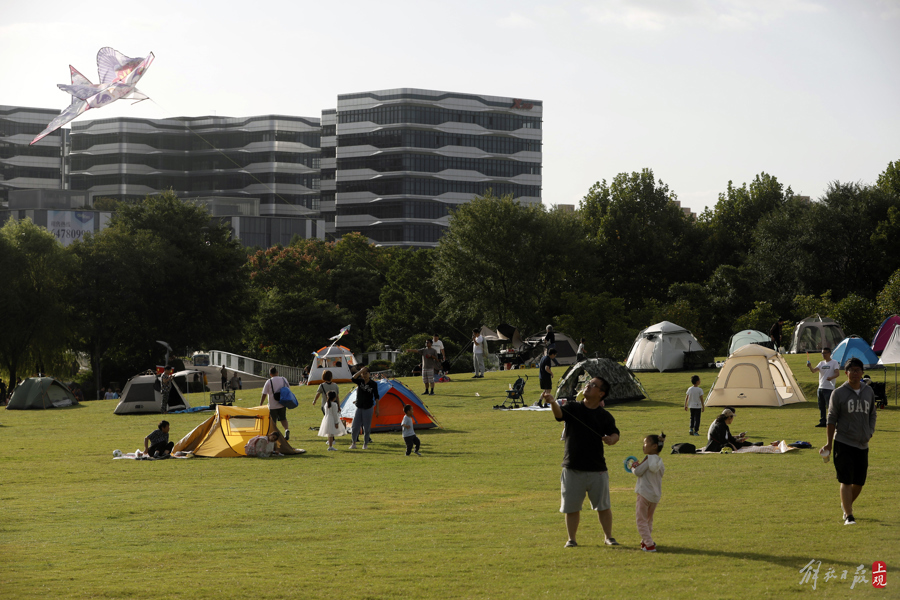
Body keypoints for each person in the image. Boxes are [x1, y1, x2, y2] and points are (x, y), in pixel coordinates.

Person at [548, 376, 621, 548]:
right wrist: (552, 402)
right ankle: (571, 539)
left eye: (593, 385)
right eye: (588, 383)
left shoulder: (605, 416)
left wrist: (612, 439)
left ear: (601, 393)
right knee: (572, 507)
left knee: (603, 507)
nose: (588, 385)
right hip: (572, 467)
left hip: (597, 469)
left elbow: (615, 433)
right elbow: (559, 416)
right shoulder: (573, 407)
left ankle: (608, 537)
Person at [820, 357, 877, 526]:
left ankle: (846, 505)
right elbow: (831, 420)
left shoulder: (868, 392)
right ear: (846, 373)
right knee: (845, 480)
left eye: (858, 370)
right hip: (844, 442)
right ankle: (849, 515)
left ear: (862, 372)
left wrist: (870, 431)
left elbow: (873, 413)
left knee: (859, 482)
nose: (855, 373)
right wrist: (829, 443)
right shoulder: (838, 393)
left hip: (862, 443)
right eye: (852, 370)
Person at [632, 432, 666, 552]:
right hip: (655, 496)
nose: (644, 446)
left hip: (644, 494)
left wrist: (633, 466)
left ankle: (649, 544)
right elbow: (661, 473)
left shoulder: (647, 459)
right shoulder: (659, 461)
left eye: (646, 443)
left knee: (641, 520)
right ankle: (645, 541)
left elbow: (638, 472)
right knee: (648, 520)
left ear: (654, 446)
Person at [808, 347, 840, 427]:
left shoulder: (834, 362)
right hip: (821, 388)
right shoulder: (821, 363)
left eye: (825, 353)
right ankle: (823, 422)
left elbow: (837, 373)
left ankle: (832, 421)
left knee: (830, 406)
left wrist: (831, 377)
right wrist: (810, 366)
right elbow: (814, 371)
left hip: (829, 388)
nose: (823, 355)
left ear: (829, 353)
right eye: (822, 353)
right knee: (821, 406)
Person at [349, 366, 379, 449]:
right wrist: (360, 371)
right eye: (363, 374)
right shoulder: (360, 382)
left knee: (366, 427)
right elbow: (352, 378)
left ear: (369, 374)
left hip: (368, 407)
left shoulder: (373, 384)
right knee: (355, 426)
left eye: (366, 373)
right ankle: (353, 443)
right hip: (359, 407)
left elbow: (376, 396)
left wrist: (377, 408)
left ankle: (365, 444)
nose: (364, 375)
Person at [259, 367, 291, 440]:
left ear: (270, 374)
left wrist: (261, 404)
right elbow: (288, 389)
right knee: (283, 418)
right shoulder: (283, 379)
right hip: (282, 403)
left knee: (273, 421)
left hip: (273, 404)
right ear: (277, 372)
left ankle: (275, 434)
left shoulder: (269, 381)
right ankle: (286, 429)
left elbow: (264, 394)